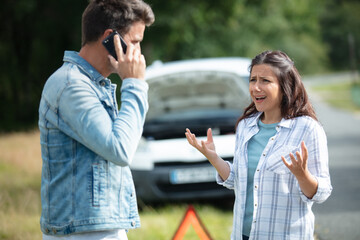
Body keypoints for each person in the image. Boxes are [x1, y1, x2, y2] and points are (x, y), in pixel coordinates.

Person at [185, 50, 332, 240]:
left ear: (284, 85)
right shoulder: (246, 126)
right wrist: (213, 157)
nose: (256, 87)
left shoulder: (308, 129)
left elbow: (322, 193)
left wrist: (303, 175)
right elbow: (237, 180)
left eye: (265, 81)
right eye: (253, 80)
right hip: (243, 235)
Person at [38, 0, 154, 239]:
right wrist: (134, 85)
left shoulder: (94, 86)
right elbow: (121, 150)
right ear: (110, 38)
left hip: (97, 227)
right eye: (135, 42)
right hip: (80, 232)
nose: (138, 54)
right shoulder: (70, 85)